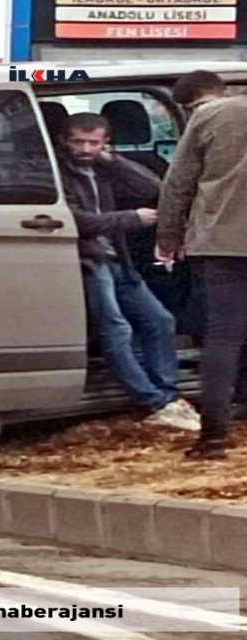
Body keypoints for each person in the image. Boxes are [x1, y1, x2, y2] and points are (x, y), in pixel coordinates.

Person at [58, 112, 201, 431]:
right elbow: (79, 222)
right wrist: (131, 219)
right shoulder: (57, 173)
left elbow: (153, 187)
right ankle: (153, 400)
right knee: (116, 327)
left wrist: (113, 162)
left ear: (105, 143)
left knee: (160, 320)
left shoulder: (103, 168)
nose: (84, 149)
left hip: (116, 257)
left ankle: (169, 396)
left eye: (93, 142)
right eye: (78, 142)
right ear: (64, 141)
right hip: (89, 258)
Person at [157, 70, 247, 459]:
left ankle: (212, 438)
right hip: (221, 243)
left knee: (223, 338)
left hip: (222, 243)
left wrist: (168, 237)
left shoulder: (208, 117)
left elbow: (178, 183)